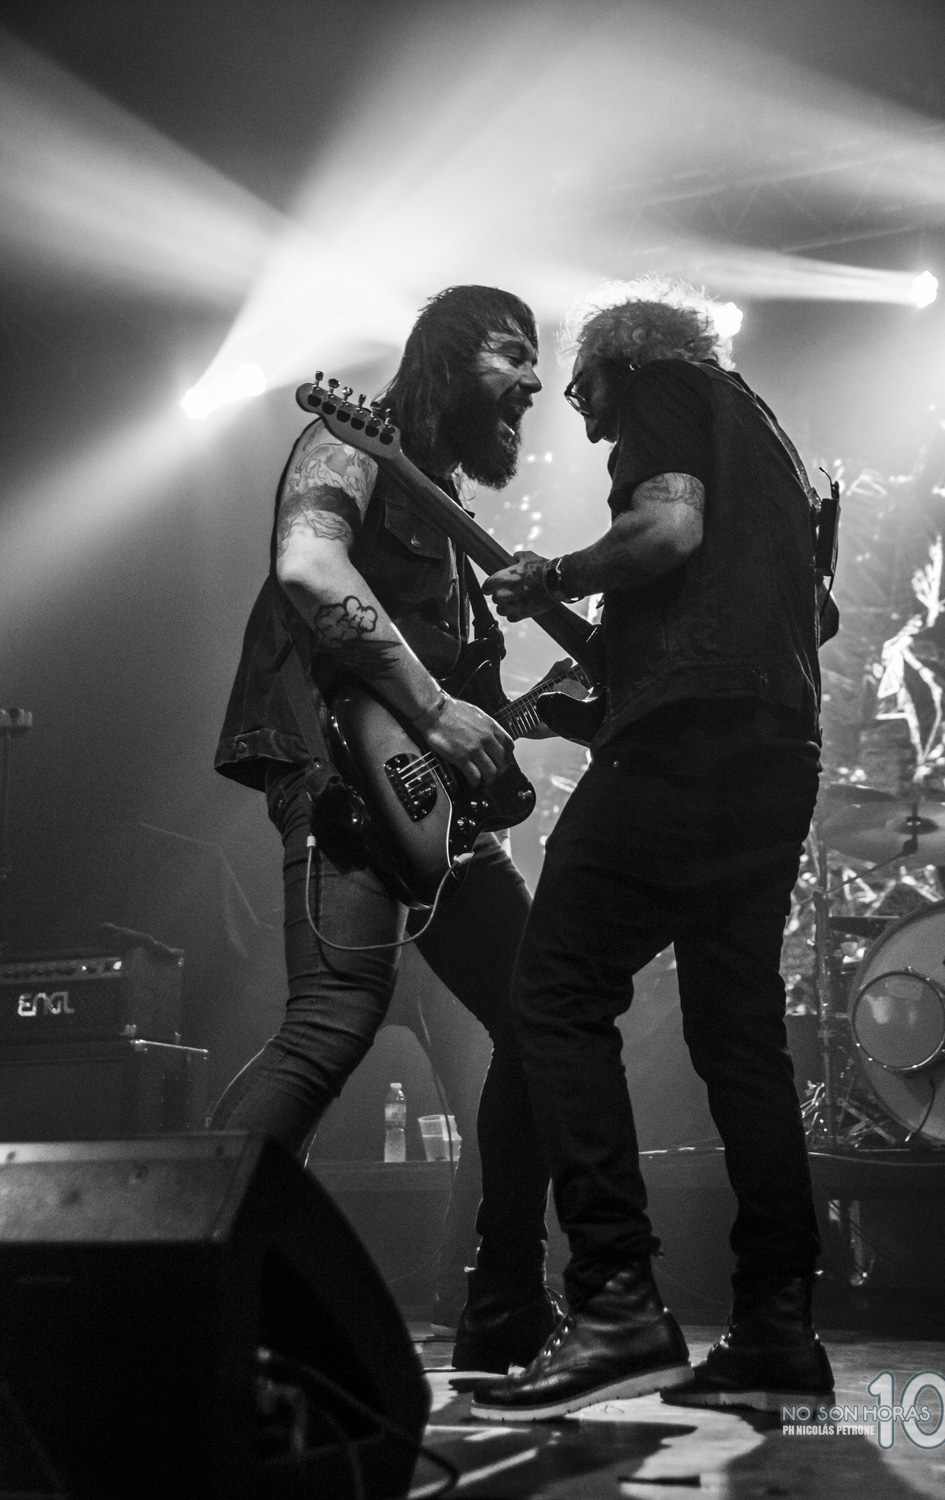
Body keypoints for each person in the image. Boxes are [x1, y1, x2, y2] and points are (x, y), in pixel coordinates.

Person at [473, 277, 838, 1420]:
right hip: (775, 749)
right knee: (739, 1036)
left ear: (617, 360)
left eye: (582, 390)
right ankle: (776, 1329)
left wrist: (553, 576)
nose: (582, 418)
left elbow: (666, 531)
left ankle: (615, 1302)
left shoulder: (666, 391)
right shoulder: (772, 448)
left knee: (553, 992)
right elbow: (805, 616)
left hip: (686, 746)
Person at [211, 285, 559, 1371]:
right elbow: (310, 567)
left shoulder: (444, 508)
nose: (535, 381)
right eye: (513, 352)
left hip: (436, 815)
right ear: (449, 356)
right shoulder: (349, 441)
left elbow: (464, 693)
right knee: (330, 1026)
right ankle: (178, 1273)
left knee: (546, 1019)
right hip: (341, 776)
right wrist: (437, 711)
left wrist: (516, 719)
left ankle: (498, 1299)